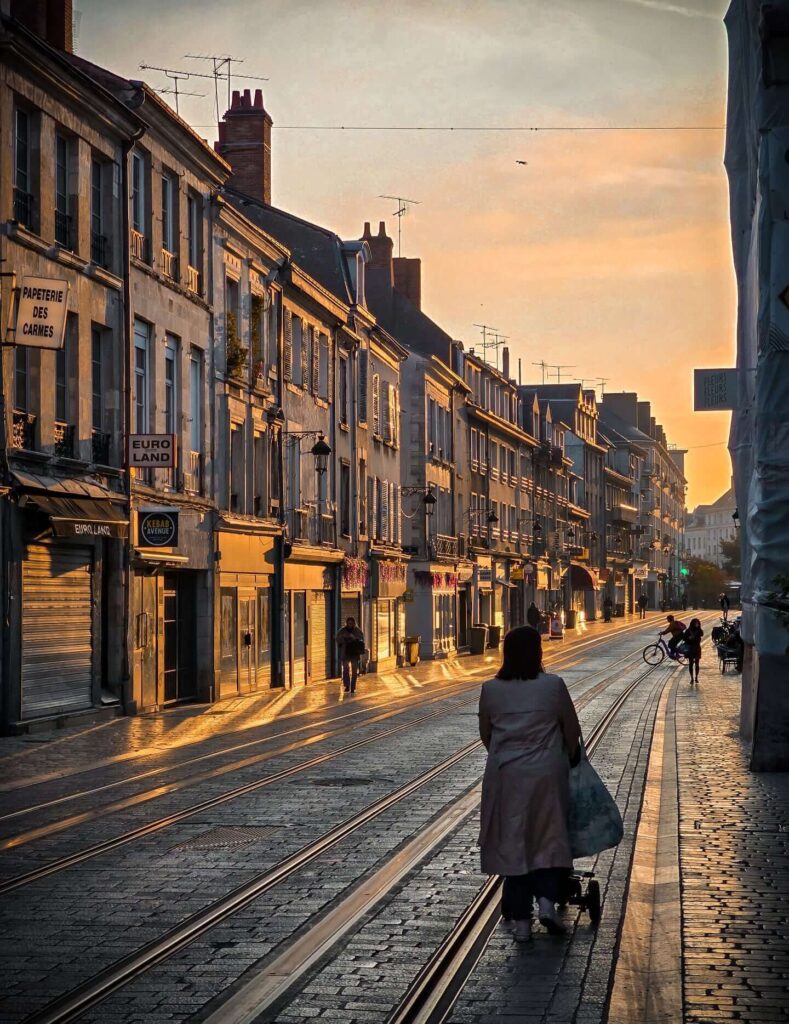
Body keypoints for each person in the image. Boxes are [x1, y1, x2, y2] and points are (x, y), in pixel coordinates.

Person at [478, 626, 581, 943]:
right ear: (538, 652)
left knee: (514, 843)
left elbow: (486, 734)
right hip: (547, 774)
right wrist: (570, 757)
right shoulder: (553, 685)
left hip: (507, 776)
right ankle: (548, 903)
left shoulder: (491, 689)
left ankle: (522, 924)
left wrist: (506, 753)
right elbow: (571, 730)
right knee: (549, 837)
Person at [335, 617, 365, 693]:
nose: (350, 624)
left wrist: (354, 638)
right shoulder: (342, 630)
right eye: (349, 622)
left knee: (354, 671)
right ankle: (347, 685)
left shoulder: (357, 630)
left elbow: (361, 638)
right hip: (345, 653)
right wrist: (344, 638)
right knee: (345, 669)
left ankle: (353, 687)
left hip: (354, 653)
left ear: (354, 623)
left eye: (352, 622)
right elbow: (337, 638)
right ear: (347, 623)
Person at [683, 617, 704, 685]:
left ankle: (696, 677)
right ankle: (692, 678)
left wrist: (698, 628)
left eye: (698, 623)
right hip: (691, 648)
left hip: (697, 648)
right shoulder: (688, 631)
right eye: (695, 623)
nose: (697, 624)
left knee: (697, 664)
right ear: (693, 623)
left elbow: (702, 633)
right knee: (691, 664)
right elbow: (684, 638)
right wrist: (689, 638)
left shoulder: (699, 630)